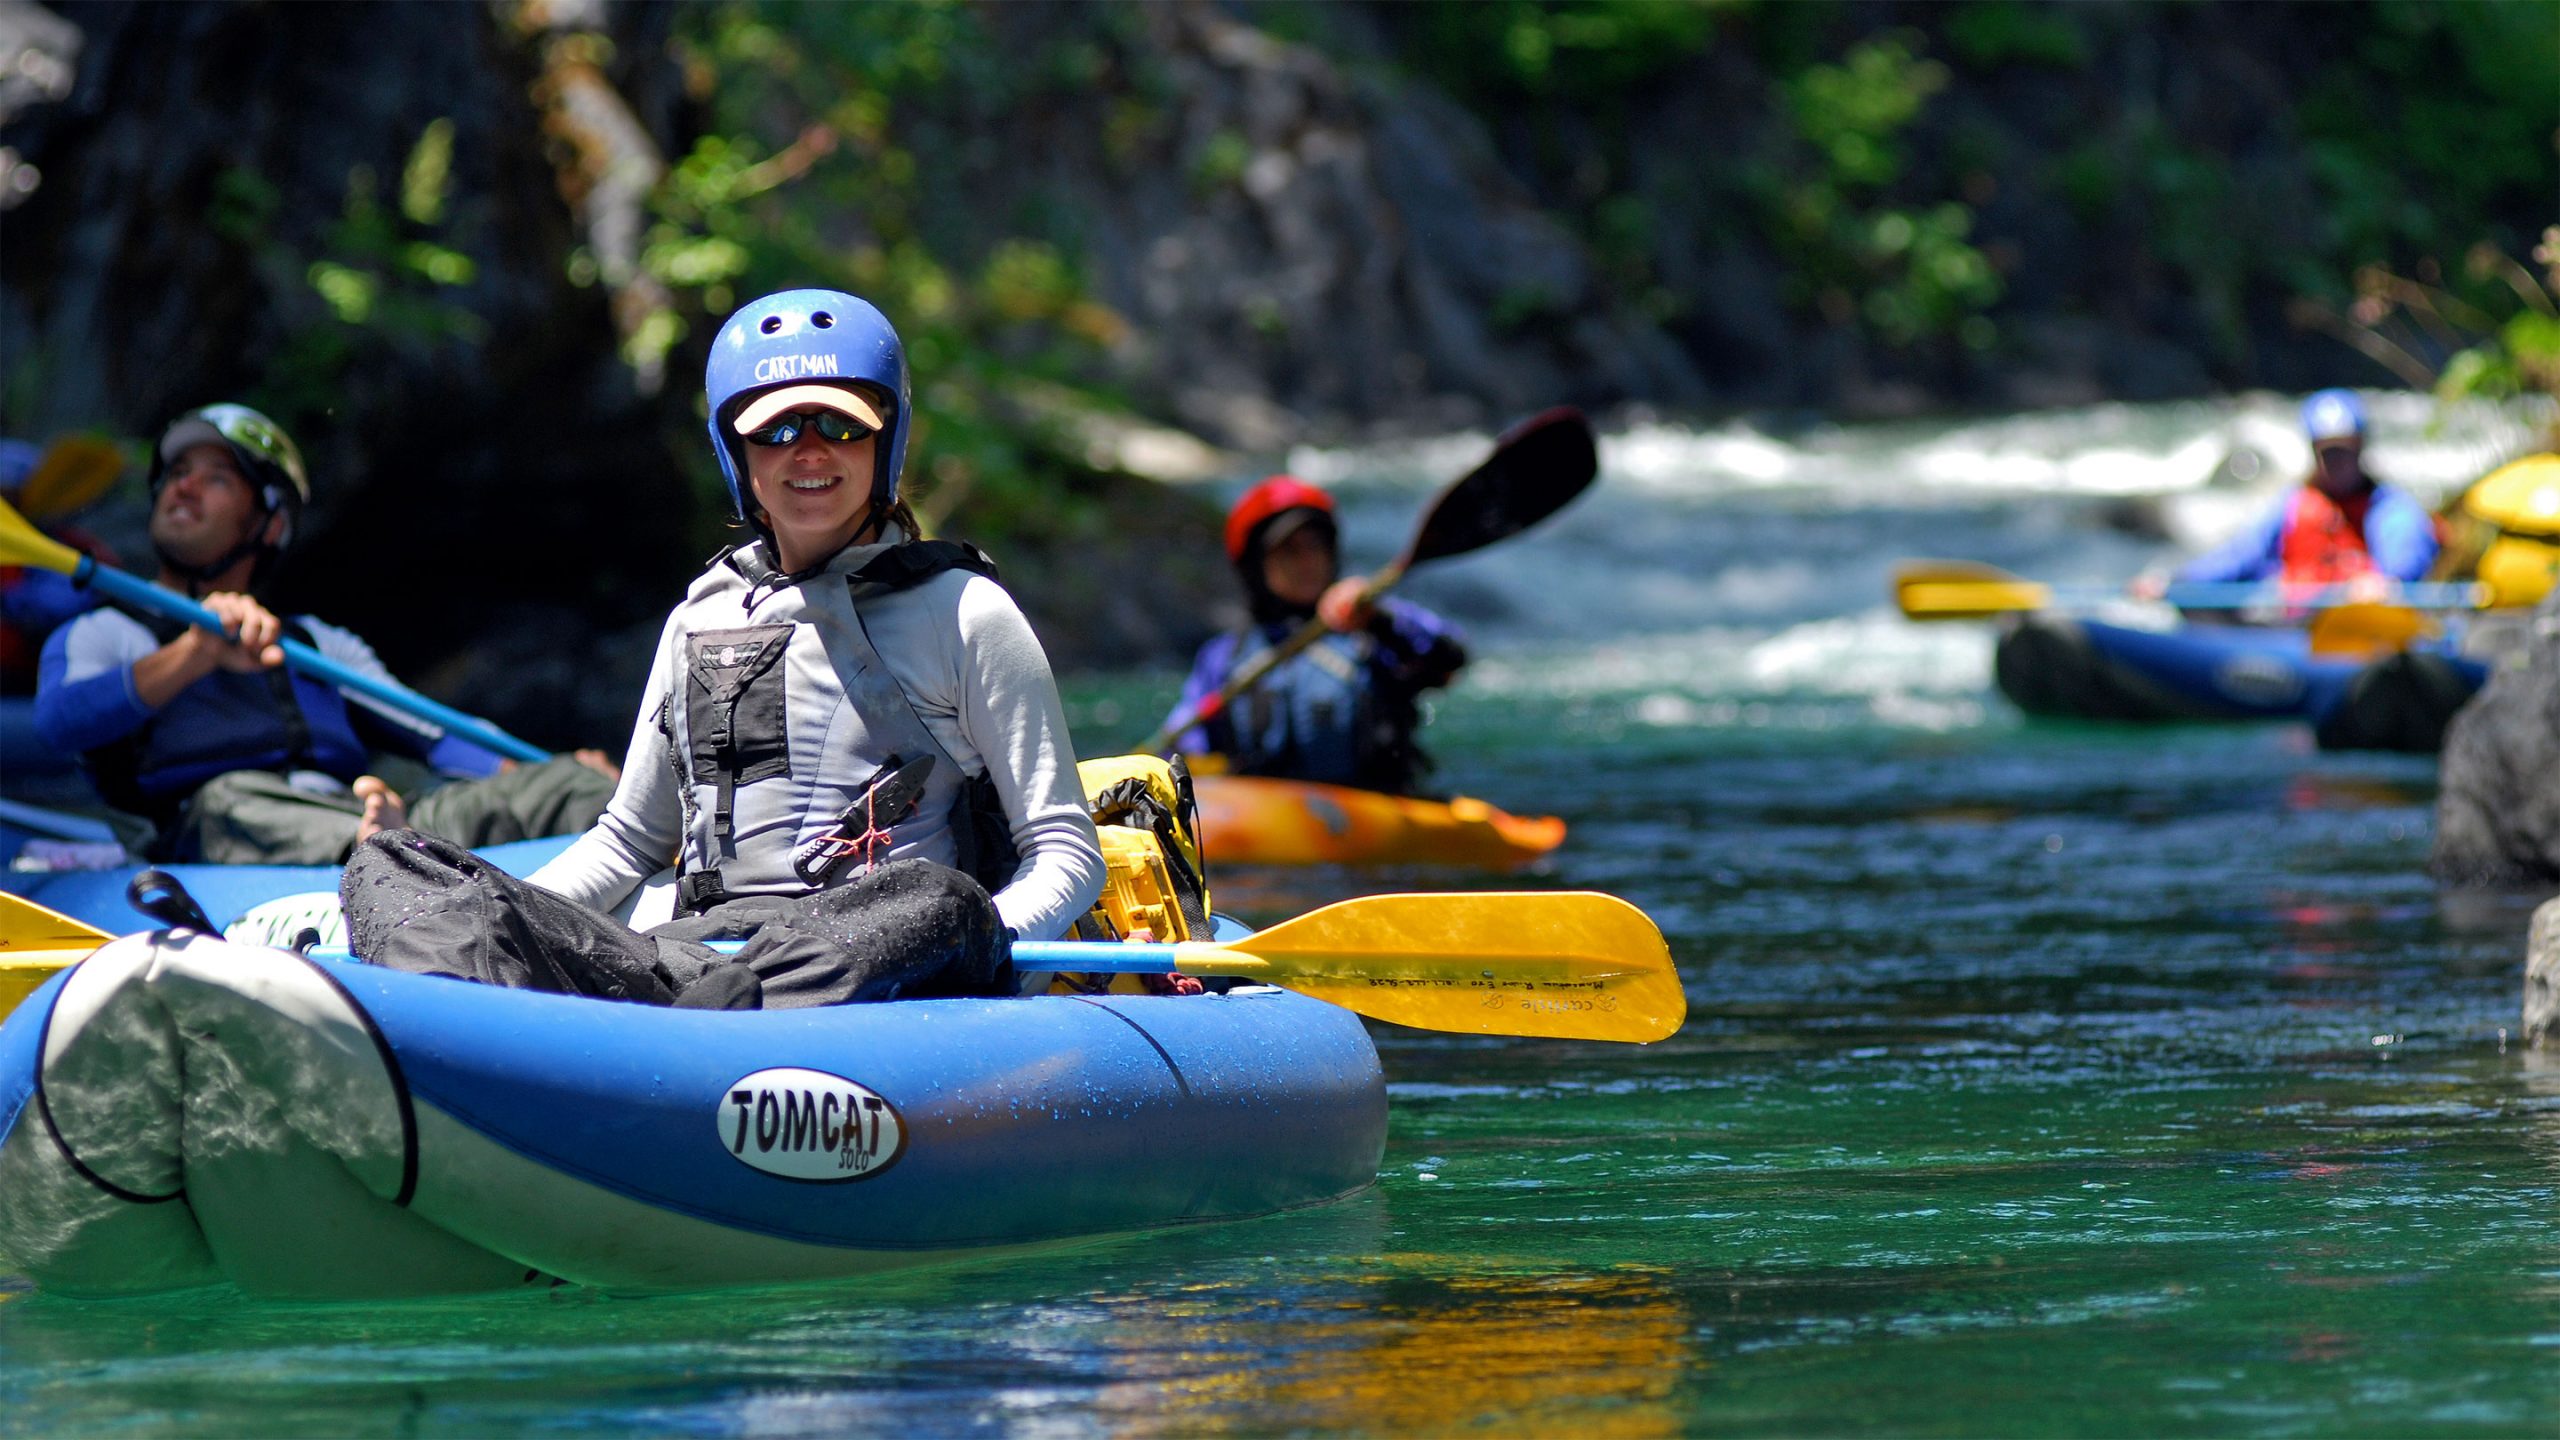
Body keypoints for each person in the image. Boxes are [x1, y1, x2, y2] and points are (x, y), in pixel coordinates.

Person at [339, 289, 1106, 1011]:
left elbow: (1066, 852)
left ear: (887, 440)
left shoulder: (965, 612)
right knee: (395, 865)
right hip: (696, 960)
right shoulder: (696, 621)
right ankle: (464, 1019)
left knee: (941, 901)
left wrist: (985, 945)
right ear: (737, 456)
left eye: (840, 426)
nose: (808, 452)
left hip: (871, 966)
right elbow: (627, 842)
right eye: (775, 431)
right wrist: (496, 912)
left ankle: (726, 1024)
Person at [32, 403, 615, 863]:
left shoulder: (315, 645)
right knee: (227, 798)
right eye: (178, 474)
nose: (182, 488)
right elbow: (60, 722)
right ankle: (384, 854)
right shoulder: (108, 633)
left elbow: (437, 734)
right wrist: (195, 651)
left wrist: (544, 776)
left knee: (568, 784)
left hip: (367, 815)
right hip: (223, 838)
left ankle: (666, 858)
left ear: (269, 524)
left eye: (216, 480)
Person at [1163, 476, 1466, 795]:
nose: (1307, 562)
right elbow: (1182, 745)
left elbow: (1450, 656)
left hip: (1376, 818)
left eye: (1315, 546)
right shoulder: (1224, 658)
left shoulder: (1372, 631)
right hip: (1264, 824)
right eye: (1289, 551)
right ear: (1256, 567)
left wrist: (1378, 619)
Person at [2157, 389, 2439, 598]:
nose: (2337, 461)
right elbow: (2240, 554)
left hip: (2361, 625)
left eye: (2344, 450)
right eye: (2328, 452)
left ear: (2360, 447)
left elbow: (2405, 555)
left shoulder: (2390, 507)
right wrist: (2178, 582)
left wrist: (2389, 582)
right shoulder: (2292, 504)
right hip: (2297, 626)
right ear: (2313, 452)